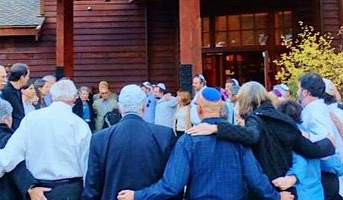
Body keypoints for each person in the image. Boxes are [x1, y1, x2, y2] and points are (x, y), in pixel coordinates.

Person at [117, 87, 293, 200]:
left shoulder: (189, 139)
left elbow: (172, 185)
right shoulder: (237, 138)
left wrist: (137, 195)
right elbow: (255, 178)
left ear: (199, 109)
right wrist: (277, 197)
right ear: (221, 108)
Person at [188, 81, 335, 200]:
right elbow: (308, 149)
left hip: (265, 188)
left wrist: (217, 129)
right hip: (285, 188)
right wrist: (329, 144)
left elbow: (252, 135)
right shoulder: (284, 119)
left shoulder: (256, 118)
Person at [0, 80, 92, 200]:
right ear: (74, 98)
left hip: (37, 191)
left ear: (51, 96)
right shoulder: (80, 125)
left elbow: (12, 152)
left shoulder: (32, 119)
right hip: (70, 191)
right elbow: (87, 163)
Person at [82, 84, 177, 200]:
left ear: (120, 108)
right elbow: (173, 182)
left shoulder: (100, 138)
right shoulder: (164, 135)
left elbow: (92, 185)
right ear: (143, 108)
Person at [298, 73, 343, 200]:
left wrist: (305, 136)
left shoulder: (314, 112)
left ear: (305, 92)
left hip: (325, 172)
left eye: (299, 88)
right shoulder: (318, 109)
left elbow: (326, 140)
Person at [1, 63, 30, 129]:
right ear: (22, 78)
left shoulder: (18, 90)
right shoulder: (5, 91)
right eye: (27, 76)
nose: (28, 78)